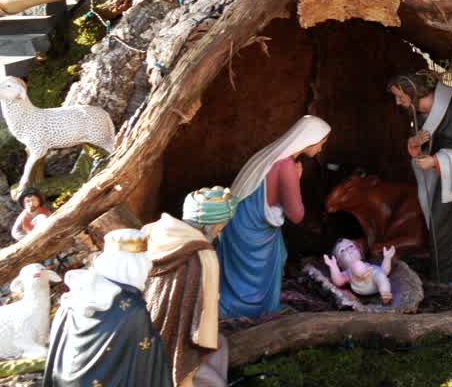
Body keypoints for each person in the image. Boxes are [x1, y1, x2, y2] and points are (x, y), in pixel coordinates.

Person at [216, 116, 330, 319]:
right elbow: (296, 215)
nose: (321, 149)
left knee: (279, 254)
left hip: (241, 222)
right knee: (255, 278)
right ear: (310, 139)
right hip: (251, 231)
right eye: (322, 143)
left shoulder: (270, 155)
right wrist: (297, 179)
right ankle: (247, 310)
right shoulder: (286, 166)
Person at [388, 74, 452, 284]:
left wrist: (436, 161)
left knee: (447, 226)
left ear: (412, 93)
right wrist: (415, 145)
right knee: (439, 227)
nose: (397, 102)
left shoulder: (451, 114)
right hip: (441, 182)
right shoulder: (420, 115)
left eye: (399, 96)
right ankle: (449, 276)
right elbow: (422, 150)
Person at [43, 229, 173, 387]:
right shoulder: (132, 308)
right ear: (136, 262)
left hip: (64, 379)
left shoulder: (77, 291)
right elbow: (145, 359)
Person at [143, 187, 235, 387]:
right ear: (210, 225)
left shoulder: (152, 231)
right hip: (179, 337)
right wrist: (204, 345)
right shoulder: (205, 254)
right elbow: (206, 316)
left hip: (141, 326)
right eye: (220, 226)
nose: (220, 231)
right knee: (215, 353)